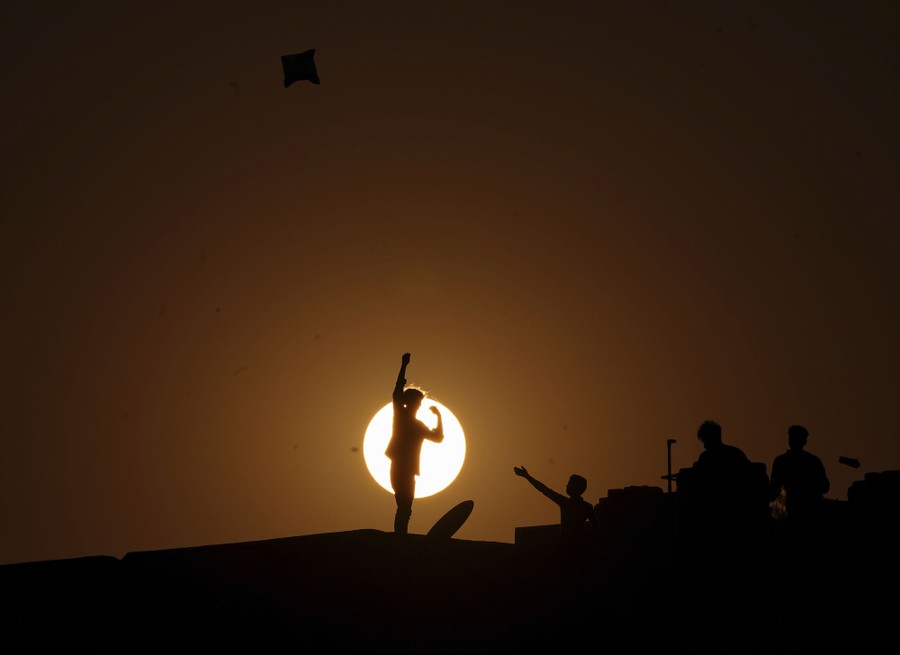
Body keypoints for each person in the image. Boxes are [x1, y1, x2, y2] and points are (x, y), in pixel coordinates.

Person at [385, 352, 444, 535]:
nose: (418, 405)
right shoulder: (400, 415)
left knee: (406, 507)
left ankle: (400, 535)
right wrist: (403, 366)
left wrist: (439, 417)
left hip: (410, 470)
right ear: (408, 402)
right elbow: (397, 390)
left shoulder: (418, 426)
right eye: (416, 402)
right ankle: (399, 537)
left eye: (419, 403)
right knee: (403, 505)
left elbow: (438, 438)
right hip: (399, 467)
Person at [513, 466, 598, 545]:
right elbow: (597, 530)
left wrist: (527, 476)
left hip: (571, 547)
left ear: (576, 487)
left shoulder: (567, 503)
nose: (567, 485)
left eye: (570, 484)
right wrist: (527, 476)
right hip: (574, 546)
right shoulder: (586, 506)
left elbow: (544, 489)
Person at [769, 425, 830, 527]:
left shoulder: (782, 461)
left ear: (804, 441)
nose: (793, 440)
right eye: (792, 437)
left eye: (796, 437)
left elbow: (824, 487)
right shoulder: (813, 461)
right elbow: (824, 487)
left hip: (804, 512)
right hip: (794, 512)